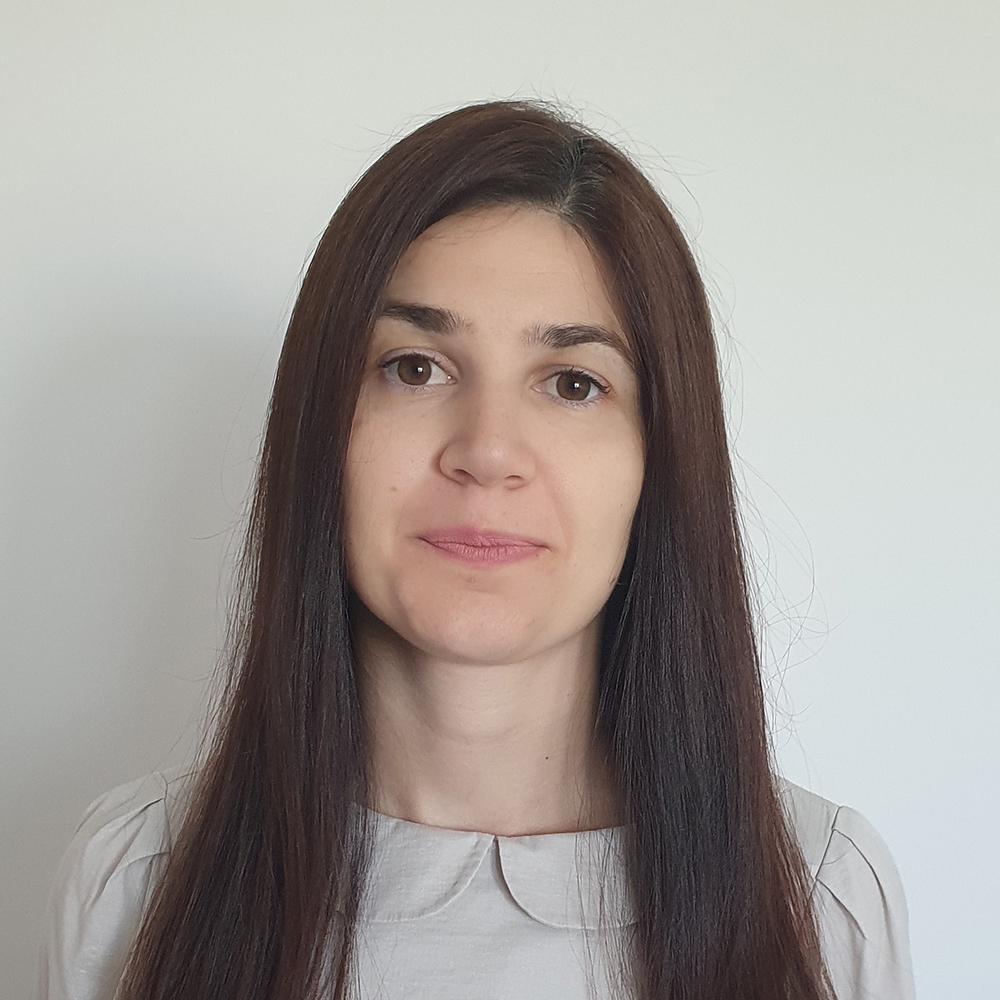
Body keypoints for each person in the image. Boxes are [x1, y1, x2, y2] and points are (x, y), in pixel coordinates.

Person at [35, 99, 916, 1000]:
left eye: (573, 384)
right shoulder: (133, 882)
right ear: (319, 425)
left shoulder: (818, 899)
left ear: (660, 461)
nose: (488, 451)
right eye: (415, 368)